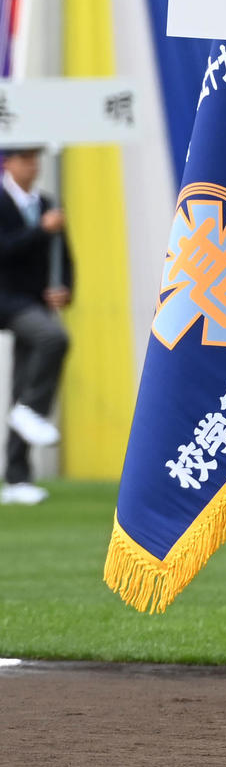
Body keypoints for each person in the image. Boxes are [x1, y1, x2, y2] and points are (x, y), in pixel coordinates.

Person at [0, 145, 72, 507]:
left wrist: (64, 291)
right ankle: (30, 409)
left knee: (23, 379)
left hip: (34, 300)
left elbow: (65, 256)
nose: (33, 166)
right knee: (53, 338)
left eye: (36, 159)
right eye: (25, 159)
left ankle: (16, 477)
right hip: (7, 300)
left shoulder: (46, 204)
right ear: (9, 163)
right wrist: (40, 232)